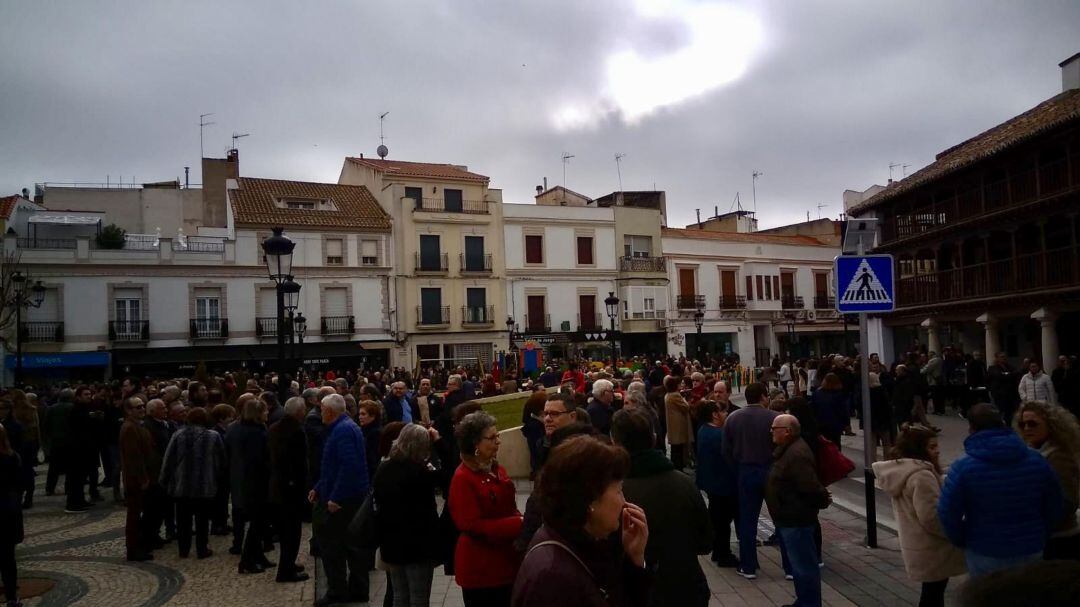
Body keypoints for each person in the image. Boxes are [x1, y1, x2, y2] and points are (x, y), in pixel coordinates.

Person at [511, 436, 650, 607]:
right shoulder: (554, 578)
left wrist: (634, 559)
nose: (623, 502)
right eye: (619, 490)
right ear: (590, 499)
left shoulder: (580, 543)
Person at [938, 403, 1064, 576]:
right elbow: (1054, 504)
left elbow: (948, 513)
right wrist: (1041, 532)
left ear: (971, 429)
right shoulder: (1037, 460)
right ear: (1003, 423)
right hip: (1030, 546)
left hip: (984, 549)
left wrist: (963, 539)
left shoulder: (962, 467)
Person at [614, 409, 712, 606]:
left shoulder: (613, 492)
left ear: (614, 442)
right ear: (654, 438)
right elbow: (705, 542)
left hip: (637, 591)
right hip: (687, 588)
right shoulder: (684, 483)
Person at [872, 425, 965, 607]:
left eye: (937, 446)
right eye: (932, 447)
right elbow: (931, 517)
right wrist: (956, 534)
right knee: (933, 595)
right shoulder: (922, 476)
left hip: (918, 544)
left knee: (931, 593)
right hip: (933, 547)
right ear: (918, 449)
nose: (937, 451)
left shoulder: (902, 470)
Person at [450, 411, 522, 606]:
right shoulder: (463, 478)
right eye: (492, 438)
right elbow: (470, 524)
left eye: (498, 435)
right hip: (481, 569)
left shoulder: (496, 468)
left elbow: (509, 505)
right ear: (475, 444)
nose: (498, 441)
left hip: (506, 563)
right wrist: (518, 524)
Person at [310, 394, 371, 606]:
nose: (319, 414)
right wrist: (318, 487)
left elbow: (348, 466)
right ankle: (357, 590)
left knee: (333, 547)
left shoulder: (342, 430)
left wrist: (335, 496)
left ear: (330, 411)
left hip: (344, 499)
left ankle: (337, 591)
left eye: (322, 410)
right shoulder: (345, 427)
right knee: (351, 546)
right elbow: (333, 466)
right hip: (346, 494)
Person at [374, 424, 442, 607]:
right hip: (418, 544)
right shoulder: (420, 472)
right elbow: (446, 477)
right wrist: (439, 443)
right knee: (419, 595)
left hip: (391, 541)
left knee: (399, 594)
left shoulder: (384, 468)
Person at [765, 414, 830, 607]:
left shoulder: (796, 454)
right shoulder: (788, 450)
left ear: (787, 432)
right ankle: (804, 601)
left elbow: (809, 486)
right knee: (800, 566)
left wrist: (821, 500)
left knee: (804, 567)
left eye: (774, 428)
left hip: (796, 519)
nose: (771, 431)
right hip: (790, 517)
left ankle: (809, 603)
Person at [722, 382, 779, 579]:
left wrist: (737, 469)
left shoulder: (733, 418)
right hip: (771, 470)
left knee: (747, 520)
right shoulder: (774, 417)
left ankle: (748, 565)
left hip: (745, 470)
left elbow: (726, 450)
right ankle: (789, 567)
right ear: (763, 396)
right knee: (781, 519)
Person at [1013, 400, 1080, 560]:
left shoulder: (1058, 457)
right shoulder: (1032, 452)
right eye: (1023, 424)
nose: (1027, 428)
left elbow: (1067, 503)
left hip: (1060, 539)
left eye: (1033, 424)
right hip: (1043, 535)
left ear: (1051, 425)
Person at [159, 407, 225, 560]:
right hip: (204, 485)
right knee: (202, 520)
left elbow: (168, 459)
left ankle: (184, 549)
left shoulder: (178, 434)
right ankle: (202, 549)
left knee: (183, 519)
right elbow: (221, 461)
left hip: (182, 485)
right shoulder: (213, 436)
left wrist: (164, 480)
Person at [226, 396, 273, 574]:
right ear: (258, 413)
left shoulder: (235, 428)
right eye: (265, 410)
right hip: (256, 483)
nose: (268, 413)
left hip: (240, 480)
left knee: (256, 522)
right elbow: (259, 460)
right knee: (257, 524)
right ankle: (246, 561)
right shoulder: (256, 433)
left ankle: (259, 556)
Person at [268, 397, 310, 583]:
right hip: (291, 490)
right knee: (292, 533)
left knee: (287, 531)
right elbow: (299, 462)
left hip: (278, 486)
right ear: (299, 412)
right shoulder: (296, 431)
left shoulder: (274, 427)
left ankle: (288, 564)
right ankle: (286, 571)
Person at [696, 400, 739, 567]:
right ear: (715, 414)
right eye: (723, 411)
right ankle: (723, 554)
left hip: (711, 482)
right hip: (723, 484)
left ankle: (718, 550)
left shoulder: (703, 430)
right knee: (723, 522)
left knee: (717, 518)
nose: (726, 414)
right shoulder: (719, 435)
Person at [0, 425, 25, 607]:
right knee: (8, 558)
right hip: (9, 510)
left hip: (6, 510)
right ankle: (11, 597)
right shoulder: (13, 457)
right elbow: (20, 484)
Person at [810, 373, 848, 449]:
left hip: (821, 424)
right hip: (835, 425)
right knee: (836, 445)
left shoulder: (818, 393)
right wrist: (846, 424)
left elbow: (813, 409)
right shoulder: (839, 394)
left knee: (823, 446)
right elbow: (843, 410)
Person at [663, 376, 693, 470]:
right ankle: (679, 468)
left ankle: (676, 467)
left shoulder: (668, 395)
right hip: (678, 425)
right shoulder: (675, 395)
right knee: (678, 450)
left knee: (675, 450)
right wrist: (686, 400)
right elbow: (686, 407)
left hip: (673, 426)